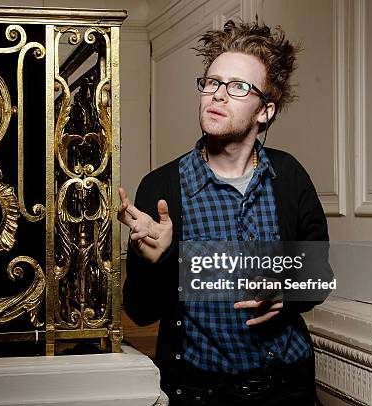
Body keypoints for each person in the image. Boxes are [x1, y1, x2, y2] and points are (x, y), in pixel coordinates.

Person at [118, 20, 331, 405]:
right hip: (199, 393)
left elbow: (319, 275)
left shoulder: (289, 177)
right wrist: (157, 259)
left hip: (287, 390)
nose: (217, 95)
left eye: (237, 87)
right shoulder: (161, 187)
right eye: (212, 83)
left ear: (265, 110)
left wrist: (287, 292)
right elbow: (140, 310)